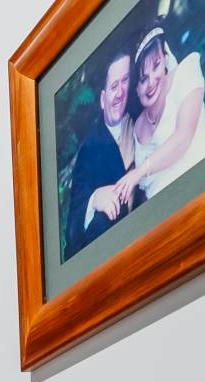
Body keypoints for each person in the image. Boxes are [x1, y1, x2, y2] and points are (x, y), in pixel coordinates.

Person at [115, 27, 205, 208]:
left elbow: (183, 137)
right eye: (143, 79)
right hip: (173, 212)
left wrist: (140, 172)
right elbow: (148, 187)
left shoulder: (185, 73)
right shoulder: (138, 128)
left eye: (156, 66)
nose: (152, 81)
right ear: (135, 89)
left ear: (165, 58)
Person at [64, 49, 140, 257]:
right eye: (114, 86)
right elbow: (72, 229)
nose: (120, 92)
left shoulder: (140, 112)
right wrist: (94, 199)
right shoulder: (89, 150)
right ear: (102, 99)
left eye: (125, 81)